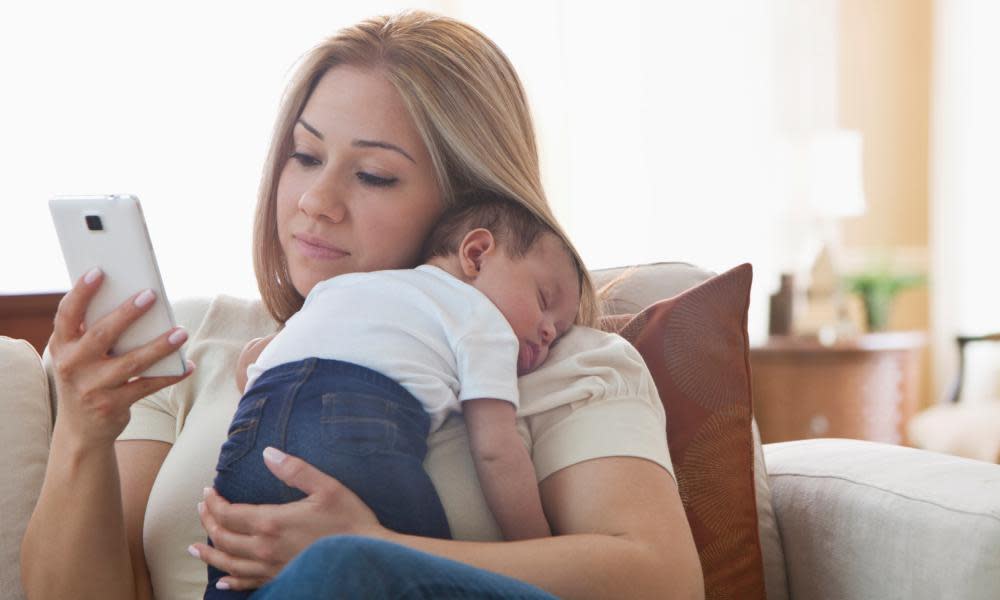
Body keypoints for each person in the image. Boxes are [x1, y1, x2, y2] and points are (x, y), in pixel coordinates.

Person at [23, 10, 704, 600]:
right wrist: (83, 434)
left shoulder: (559, 360)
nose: (316, 201)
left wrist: (378, 547)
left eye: (374, 174)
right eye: (305, 155)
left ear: (469, 216)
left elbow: (660, 581)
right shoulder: (195, 340)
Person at [205, 196, 579, 598]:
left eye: (557, 331)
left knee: (234, 566)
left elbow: (261, 367)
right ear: (476, 254)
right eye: (544, 300)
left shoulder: (342, 286)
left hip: (249, 436)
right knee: (420, 571)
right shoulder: (483, 319)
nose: (546, 332)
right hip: (355, 426)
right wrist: (538, 547)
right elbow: (496, 449)